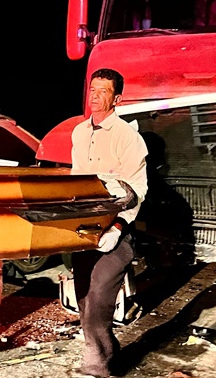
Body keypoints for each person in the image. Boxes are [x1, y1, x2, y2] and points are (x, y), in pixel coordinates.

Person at [69, 68, 149, 378]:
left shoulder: (128, 137)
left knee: (100, 297)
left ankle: (98, 366)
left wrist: (118, 228)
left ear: (117, 99)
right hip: (85, 228)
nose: (95, 96)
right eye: (92, 89)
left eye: (103, 91)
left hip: (116, 230)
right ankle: (105, 351)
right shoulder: (79, 132)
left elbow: (137, 190)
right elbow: (77, 180)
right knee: (83, 299)